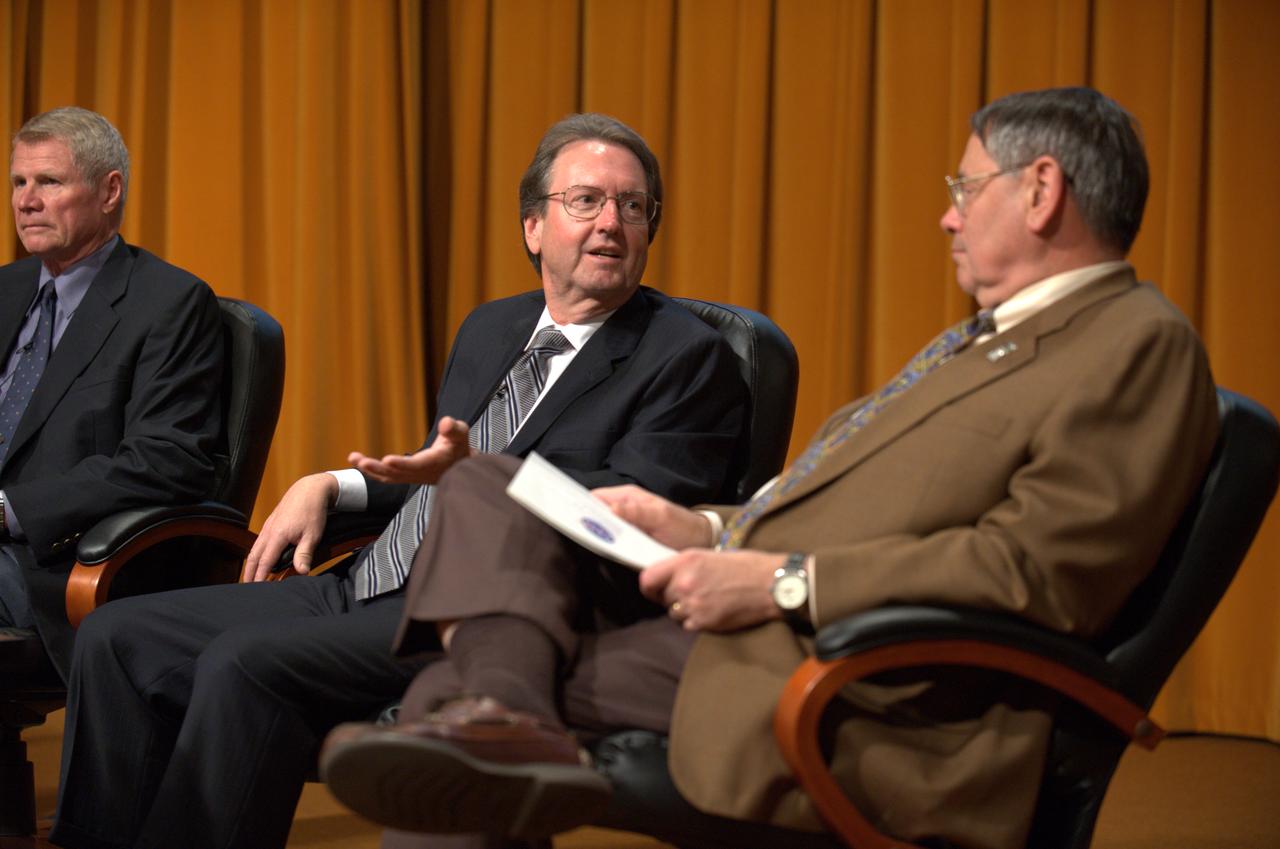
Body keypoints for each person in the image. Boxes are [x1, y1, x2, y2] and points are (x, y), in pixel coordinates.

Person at [321, 87, 1220, 849]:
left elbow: (1036, 575)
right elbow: (848, 498)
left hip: (870, 681)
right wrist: (704, 525)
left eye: (967, 186)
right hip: (748, 636)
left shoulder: (1134, 346)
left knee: (456, 698)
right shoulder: (983, 341)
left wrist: (781, 581)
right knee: (492, 478)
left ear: (1042, 192)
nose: (949, 212)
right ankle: (498, 715)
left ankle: (494, 714)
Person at [49, 113, 748, 849]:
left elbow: (629, 522)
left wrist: (486, 477)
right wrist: (335, 486)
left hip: (487, 609)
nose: (611, 222)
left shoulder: (687, 358)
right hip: (365, 579)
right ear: (534, 227)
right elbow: (432, 468)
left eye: (632, 206)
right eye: (587, 201)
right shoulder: (492, 327)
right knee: (119, 635)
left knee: (242, 663)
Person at [0, 106, 223, 678]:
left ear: (109, 191)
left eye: (48, 182)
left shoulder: (167, 303)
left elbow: (164, 460)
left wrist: (7, 510)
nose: (26, 201)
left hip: (52, 564)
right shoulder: (4, 289)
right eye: (18, 182)